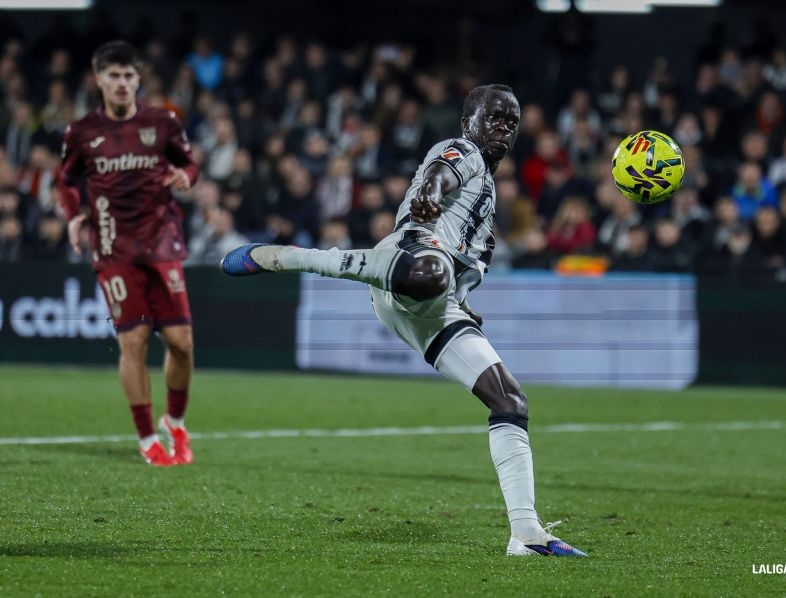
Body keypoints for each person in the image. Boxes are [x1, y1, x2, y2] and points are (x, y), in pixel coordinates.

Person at [221, 84, 587, 557]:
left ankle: (527, 533)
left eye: (511, 122)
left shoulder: (488, 198)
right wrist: (430, 193)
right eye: (494, 118)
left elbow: (464, 263)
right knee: (433, 269)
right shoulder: (465, 152)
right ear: (469, 122)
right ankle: (290, 257)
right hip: (410, 256)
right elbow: (440, 174)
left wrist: (462, 301)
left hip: (431, 305)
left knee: (510, 400)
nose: (502, 128)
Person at [57, 41, 198, 467]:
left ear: (138, 80)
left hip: (161, 243)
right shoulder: (82, 132)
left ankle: (175, 422)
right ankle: (147, 438)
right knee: (133, 341)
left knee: (181, 344)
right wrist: (73, 216)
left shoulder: (163, 123)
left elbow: (190, 163)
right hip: (113, 247)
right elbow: (66, 181)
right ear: (99, 79)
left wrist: (185, 176)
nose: (122, 83)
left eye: (128, 75)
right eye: (114, 75)